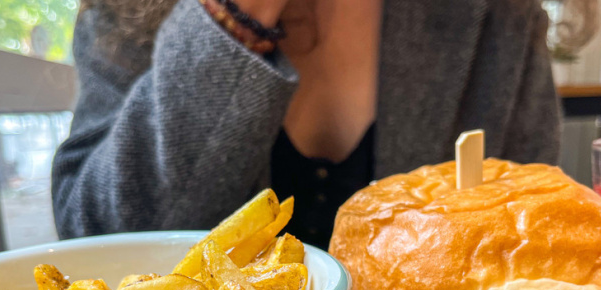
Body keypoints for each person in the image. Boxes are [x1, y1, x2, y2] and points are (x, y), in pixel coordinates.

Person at [53, 0, 560, 249]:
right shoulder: (127, 11)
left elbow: (533, 242)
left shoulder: (500, 15)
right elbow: (98, 240)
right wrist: (233, 13)